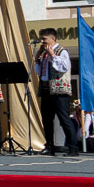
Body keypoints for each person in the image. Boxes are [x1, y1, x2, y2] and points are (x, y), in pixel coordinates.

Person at [35, 28, 80, 157]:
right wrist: (38, 60)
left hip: (59, 91)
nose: (42, 42)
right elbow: (41, 73)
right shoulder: (44, 53)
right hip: (46, 89)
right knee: (47, 120)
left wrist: (53, 55)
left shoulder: (62, 51)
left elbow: (64, 67)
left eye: (44, 39)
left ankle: (73, 147)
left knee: (64, 119)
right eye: (41, 39)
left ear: (52, 39)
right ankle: (49, 146)